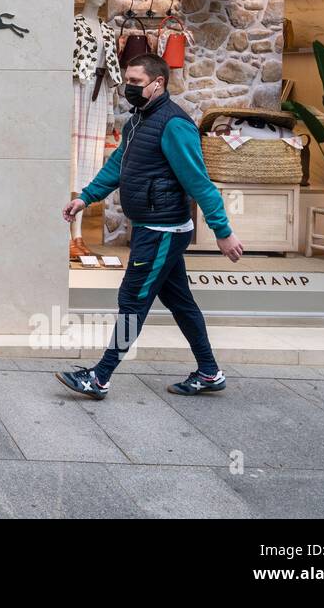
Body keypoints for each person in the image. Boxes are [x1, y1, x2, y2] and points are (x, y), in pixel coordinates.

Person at [57, 53, 244, 400]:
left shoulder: (174, 124)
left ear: (158, 83)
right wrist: (87, 197)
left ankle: (99, 378)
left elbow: (199, 182)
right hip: (151, 228)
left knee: (133, 299)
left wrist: (222, 231)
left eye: (136, 83)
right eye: (128, 81)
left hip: (162, 231)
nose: (129, 88)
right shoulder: (139, 120)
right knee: (181, 303)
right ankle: (209, 372)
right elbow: (118, 164)